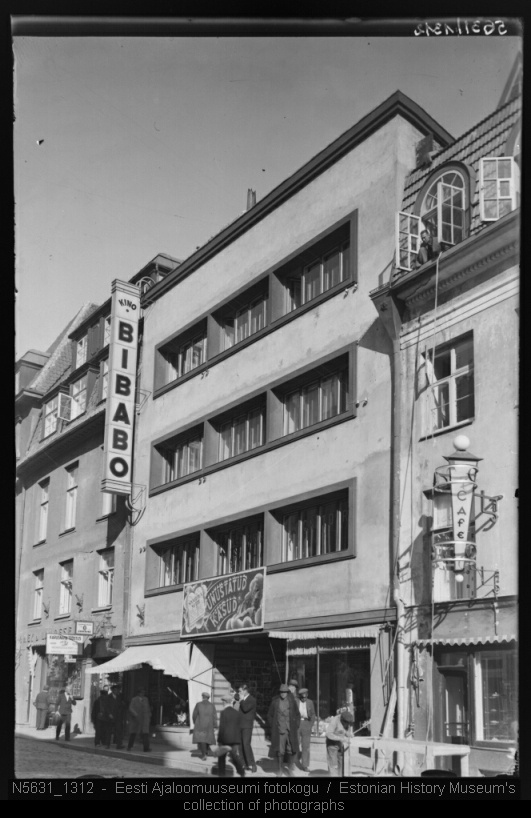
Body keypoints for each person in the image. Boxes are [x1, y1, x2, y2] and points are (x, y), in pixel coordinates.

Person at [267, 683, 300, 777]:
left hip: (290, 729)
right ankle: (280, 770)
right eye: (281, 692)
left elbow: (297, 714)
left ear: (287, 692)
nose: (283, 694)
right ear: (279, 692)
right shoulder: (275, 702)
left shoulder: (292, 701)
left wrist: (296, 725)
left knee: (291, 749)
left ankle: (289, 770)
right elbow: (269, 715)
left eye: (285, 692)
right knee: (280, 751)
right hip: (280, 730)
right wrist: (273, 725)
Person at [214, 695, 246, 778]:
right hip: (235, 739)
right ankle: (242, 772)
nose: (222, 703)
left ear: (225, 702)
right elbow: (239, 726)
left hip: (225, 740)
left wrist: (219, 741)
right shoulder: (237, 713)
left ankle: (222, 775)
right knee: (234, 757)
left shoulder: (223, 712)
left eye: (223, 702)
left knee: (221, 759)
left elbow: (222, 728)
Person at [325, 710, 354, 776]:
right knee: (333, 765)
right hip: (332, 745)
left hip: (340, 745)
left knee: (341, 764)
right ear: (342, 720)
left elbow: (345, 731)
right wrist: (341, 738)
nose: (347, 725)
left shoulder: (347, 720)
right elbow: (328, 734)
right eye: (346, 723)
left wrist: (349, 734)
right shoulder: (335, 721)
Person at [192, 691, 218, 760]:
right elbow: (215, 716)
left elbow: (194, 715)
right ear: (208, 698)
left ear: (202, 697)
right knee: (207, 738)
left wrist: (195, 722)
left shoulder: (198, 704)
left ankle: (204, 755)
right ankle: (206, 752)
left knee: (202, 739)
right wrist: (215, 725)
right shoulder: (212, 705)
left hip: (200, 724)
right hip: (209, 725)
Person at [238, 684, 257, 773]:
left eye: (240, 691)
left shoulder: (252, 700)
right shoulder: (242, 700)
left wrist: (241, 700)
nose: (239, 693)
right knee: (240, 745)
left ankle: (252, 764)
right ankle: (244, 764)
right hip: (240, 725)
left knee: (246, 744)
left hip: (247, 726)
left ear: (245, 691)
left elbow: (245, 709)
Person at [297, 688, 316, 772]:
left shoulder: (310, 702)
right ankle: (293, 762)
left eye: (305, 697)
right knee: (295, 744)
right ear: (300, 696)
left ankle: (305, 765)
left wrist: (310, 725)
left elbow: (313, 715)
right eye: (302, 698)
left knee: (306, 746)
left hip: (306, 723)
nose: (303, 699)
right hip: (297, 724)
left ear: (307, 696)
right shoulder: (296, 701)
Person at [108, 684, 126, 749]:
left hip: (118, 716)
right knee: (109, 731)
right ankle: (107, 744)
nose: (116, 691)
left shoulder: (119, 697)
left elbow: (122, 705)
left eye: (117, 690)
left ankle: (119, 745)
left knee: (119, 731)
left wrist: (123, 705)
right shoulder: (109, 697)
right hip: (111, 716)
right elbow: (106, 706)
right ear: (112, 690)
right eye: (115, 690)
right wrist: (109, 714)